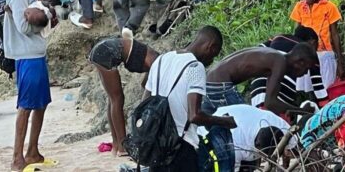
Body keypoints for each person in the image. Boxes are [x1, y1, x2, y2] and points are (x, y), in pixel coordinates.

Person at [143, 26, 236, 172]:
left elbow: (145, 102)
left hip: (156, 144)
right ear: (211, 47)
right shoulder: (195, 67)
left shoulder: (161, 59)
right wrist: (223, 121)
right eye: (213, 55)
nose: (211, 61)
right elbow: (194, 115)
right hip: (180, 147)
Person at [3, 0, 58, 171]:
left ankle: (33, 152)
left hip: (35, 52)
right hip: (27, 55)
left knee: (41, 104)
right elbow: (23, 27)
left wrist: (44, 14)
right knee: (26, 106)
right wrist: (44, 22)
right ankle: (18, 158)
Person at [89, 37, 160, 156]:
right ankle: (122, 146)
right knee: (117, 99)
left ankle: (116, 144)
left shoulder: (156, 60)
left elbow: (145, 84)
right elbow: (148, 87)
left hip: (102, 50)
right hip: (107, 52)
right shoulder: (158, 63)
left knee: (113, 99)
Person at [203, 44, 317, 116]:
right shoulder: (280, 62)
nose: (305, 73)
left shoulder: (275, 58)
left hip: (210, 80)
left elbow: (271, 101)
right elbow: (270, 103)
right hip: (219, 83)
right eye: (307, 68)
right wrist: (303, 112)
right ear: (300, 62)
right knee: (246, 119)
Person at [197, 104, 295, 172]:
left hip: (240, 118)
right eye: (264, 155)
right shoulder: (234, 146)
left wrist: (285, 167)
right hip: (212, 130)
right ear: (257, 144)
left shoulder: (282, 127)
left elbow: (298, 149)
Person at [249, 26, 328, 110]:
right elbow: (318, 85)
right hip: (279, 96)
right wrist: (326, 107)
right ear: (312, 42)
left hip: (257, 88)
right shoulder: (308, 53)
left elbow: (257, 49)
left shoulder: (278, 38)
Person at [290, 0, 345, 89]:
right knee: (309, 90)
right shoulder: (299, 7)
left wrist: (340, 63)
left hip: (325, 55)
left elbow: (335, 35)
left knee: (327, 88)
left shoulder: (329, 7)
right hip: (306, 56)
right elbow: (297, 33)